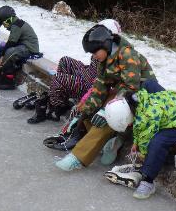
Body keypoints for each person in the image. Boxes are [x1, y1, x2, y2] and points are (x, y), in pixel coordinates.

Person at [53, 24, 158, 172]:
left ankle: (78, 157)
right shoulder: (104, 59)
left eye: (95, 51)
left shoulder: (127, 54)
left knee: (108, 117)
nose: (93, 56)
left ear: (105, 44)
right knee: (91, 116)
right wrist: (85, 111)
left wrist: (105, 110)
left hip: (141, 97)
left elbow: (131, 87)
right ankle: (112, 141)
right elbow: (100, 87)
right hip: (122, 94)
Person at [102, 87, 176, 199]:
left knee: (157, 143)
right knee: (153, 141)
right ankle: (164, 159)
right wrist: (136, 142)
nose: (130, 126)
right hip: (175, 102)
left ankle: (148, 181)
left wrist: (143, 155)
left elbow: (146, 140)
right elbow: (139, 128)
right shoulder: (136, 102)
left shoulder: (147, 116)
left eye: (128, 125)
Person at [28, 19, 122, 125]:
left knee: (59, 78)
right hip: (88, 73)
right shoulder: (104, 46)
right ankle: (60, 99)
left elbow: (101, 80)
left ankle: (58, 107)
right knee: (65, 60)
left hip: (90, 85)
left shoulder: (112, 55)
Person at [0, 5, 40, 90]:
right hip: (23, 45)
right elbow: (11, 41)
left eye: (3, 23)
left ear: (8, 20)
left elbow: (11, 43)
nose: (3, 25)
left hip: (30, 48)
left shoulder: (16, 26)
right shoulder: (15, 24)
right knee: (2, 48)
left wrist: (2, 58)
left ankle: (8, 80)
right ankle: (0, 72)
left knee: (10, 52)